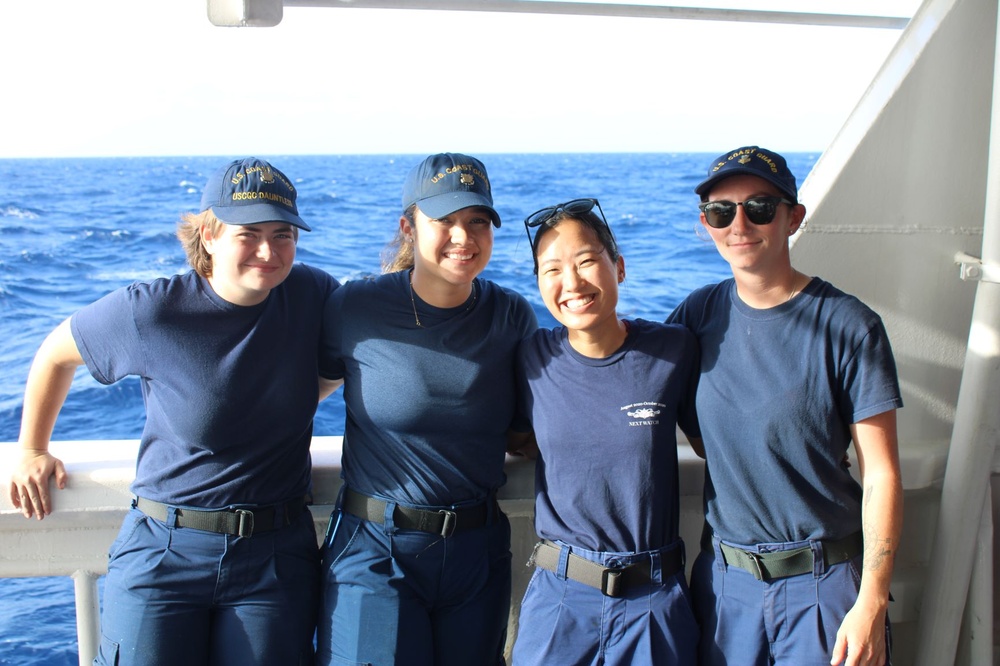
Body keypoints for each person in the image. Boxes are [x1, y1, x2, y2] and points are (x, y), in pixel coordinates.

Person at [8, 157, 341, 666]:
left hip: (276, 556)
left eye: (283, 234)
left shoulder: (314, 295)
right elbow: (55, 354)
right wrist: (33, 448)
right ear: (208, 234)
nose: (269, 251)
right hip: (164, 553)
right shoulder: (152, 310)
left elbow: (355, 355)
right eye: (248, 234)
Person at [667, 146, 903, 666]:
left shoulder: (849, 326)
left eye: (760, 207)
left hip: (825, 587)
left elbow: (882, 474)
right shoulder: (695, 314)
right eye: (721, 212)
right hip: (725, 586)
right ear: (706, 223)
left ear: (793, 217)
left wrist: (871, 602)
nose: (739, 224)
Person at [315, 152, 538, 666]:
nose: (464, 237)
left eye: (477, 222)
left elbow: (526, 428)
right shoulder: (355, 307)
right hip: (376, 550)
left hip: (476, 552)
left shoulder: (511, 315)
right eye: (445, 221)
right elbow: (302, 394)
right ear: (408, 226)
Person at [511, 198, 701, 665]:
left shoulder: (673, 350)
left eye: (586, 261)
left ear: (618, 267)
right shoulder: (529, 359)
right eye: (551, 269)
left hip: (654, 598)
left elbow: (713, 436)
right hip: (560, 598)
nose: (571, 283)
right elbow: (506, 435)